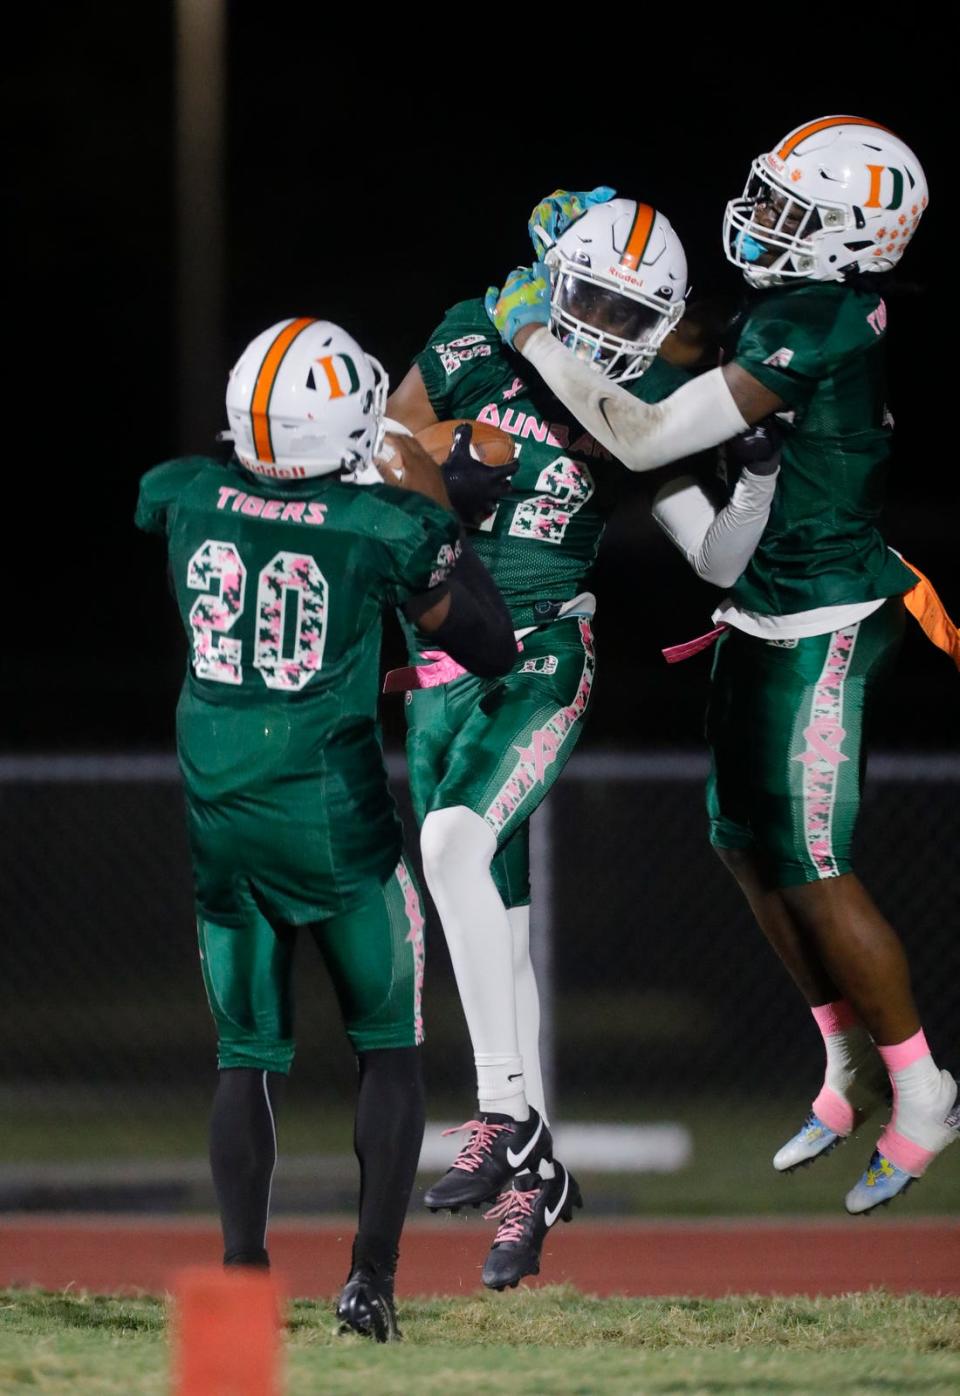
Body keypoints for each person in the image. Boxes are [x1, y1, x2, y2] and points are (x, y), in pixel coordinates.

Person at [488, 120, 958, 1213]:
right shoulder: (792, 308)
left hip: (825, 615)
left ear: (855, 239)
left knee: (810, 858)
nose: (767, 218)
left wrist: (537, 332)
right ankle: (844, 1057)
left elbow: (648, 438)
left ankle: (924, 1086)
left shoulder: (817, 315)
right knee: (743, 842)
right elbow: (690, 384)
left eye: (798, 209)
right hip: (763, 601)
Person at [386, 190, 780, 1289]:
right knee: (495, 932)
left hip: (540, 655)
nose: (606, 322)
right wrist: (444, 454)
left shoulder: (640, 397)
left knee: (455, 849)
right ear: (554, 278)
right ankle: (533, 1181)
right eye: (591, 295)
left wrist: (753, 474)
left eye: (629, 306)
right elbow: (380, 444)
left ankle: (504, 1114)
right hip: (436, 671)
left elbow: (719, 561)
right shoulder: (476, 330)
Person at [135, 317, 516, 1340]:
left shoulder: (179, 492)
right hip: (333, 820)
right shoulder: (379, 525)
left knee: (245, 1055)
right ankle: (370, 1283)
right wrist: (450, 520)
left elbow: (232, 488)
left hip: (220, 818)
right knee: (388, 1048)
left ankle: (245, 1273)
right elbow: (487, 643)